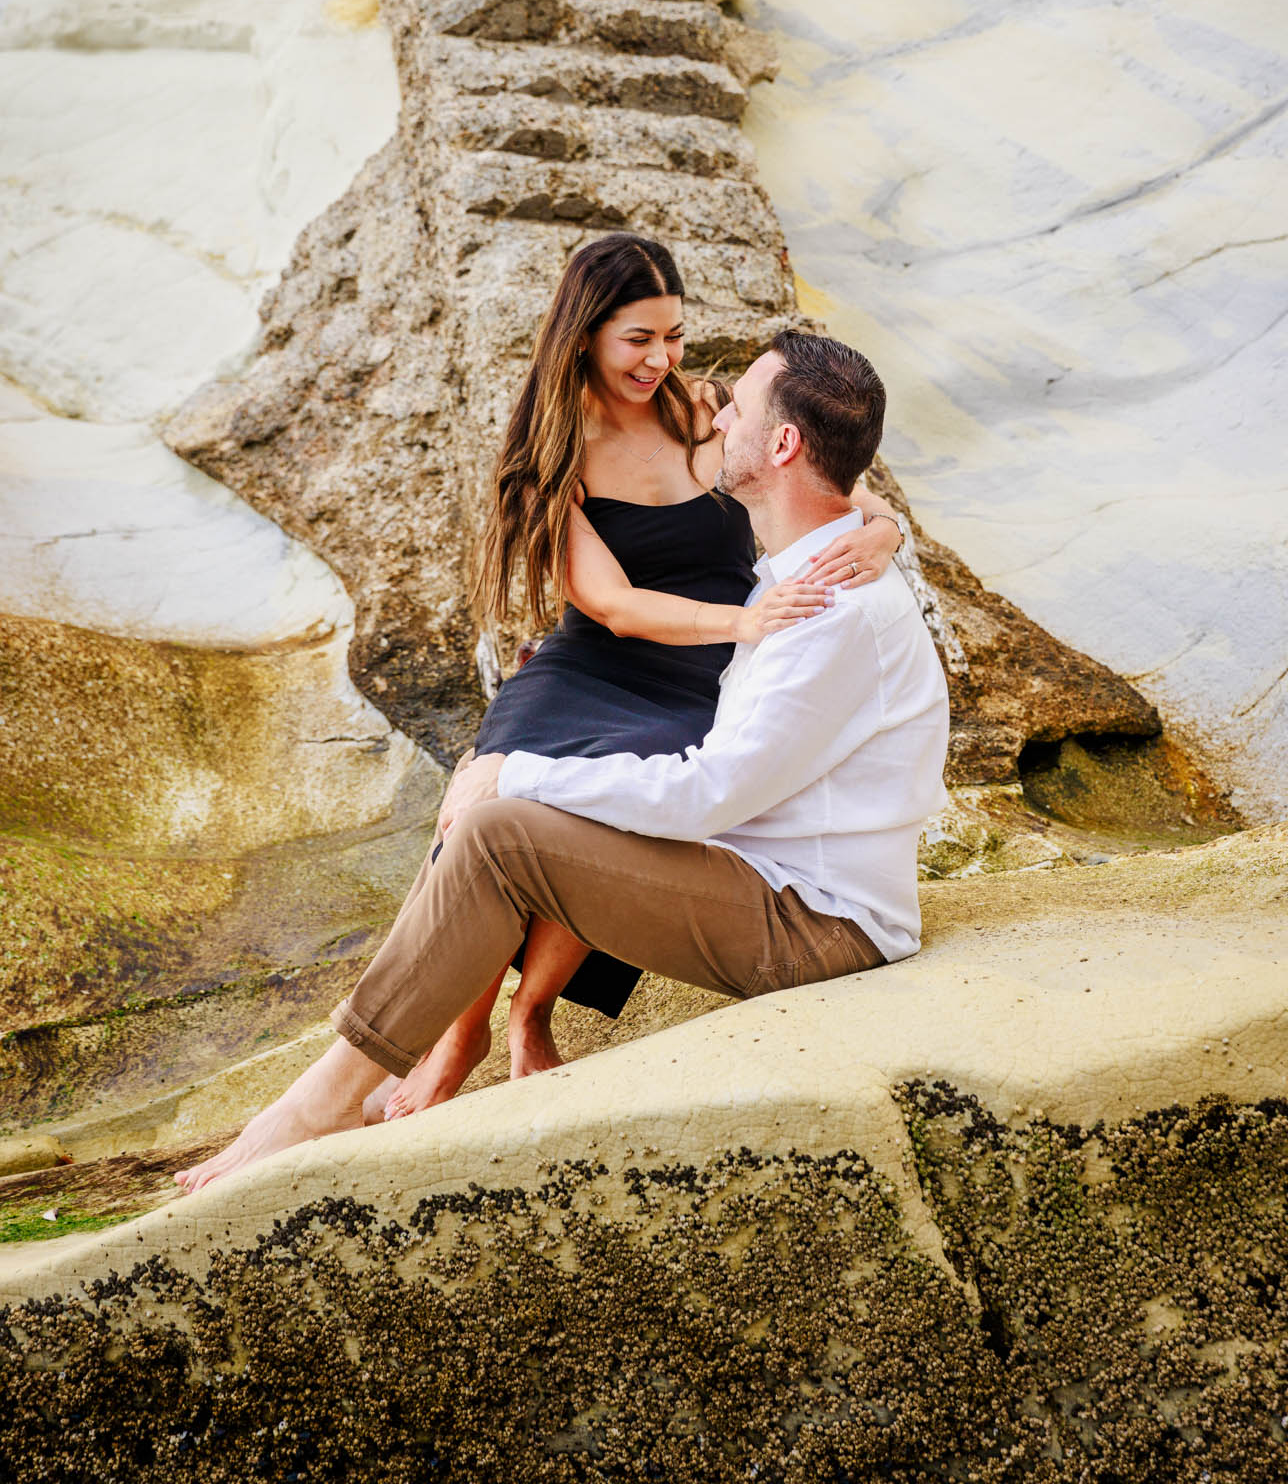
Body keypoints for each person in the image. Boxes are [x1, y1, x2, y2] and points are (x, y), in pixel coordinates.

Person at [175, 328, 950, 1195]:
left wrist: (515, 772)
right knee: (531, 809)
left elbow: (709, 793)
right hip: (774, 875)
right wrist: (883, 529)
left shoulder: (830, 608)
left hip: (815, 922)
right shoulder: (807, 569)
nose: (716, 413)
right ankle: (383, 1067)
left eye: (739, 406)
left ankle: (319, 1103)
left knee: (506, 827)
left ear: (782, 446)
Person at [374, 232, 906, 1118]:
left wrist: (881, 536)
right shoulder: (550, 452)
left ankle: (530, 1011)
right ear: (584, 334)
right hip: (600, 663)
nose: (661, 359)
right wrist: (748, 619)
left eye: (675, 336)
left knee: (603, 812)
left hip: (709, 677)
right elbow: (613, 604)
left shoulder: (704, 409)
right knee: (485, 805)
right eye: (638, 339)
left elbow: (842, 487)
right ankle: (452, 1036)